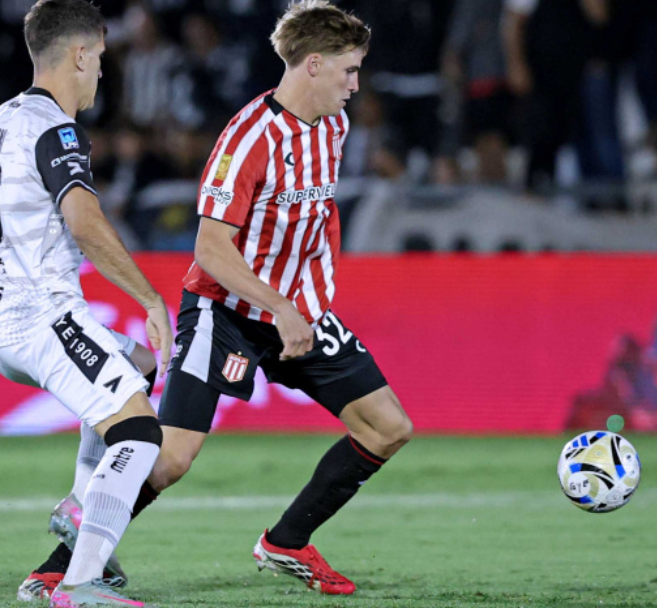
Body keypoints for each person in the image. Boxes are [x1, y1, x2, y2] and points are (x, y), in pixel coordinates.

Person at [21, 0, 413, 598]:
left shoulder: (333, 125)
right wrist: (279, 306)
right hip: (224, 312)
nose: (356, 85)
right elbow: (209, 248)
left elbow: (310, 216)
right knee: (171, 459)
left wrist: (303, 298)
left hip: (297, 313)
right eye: (349, 70)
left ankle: (286, 542)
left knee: (387, 427)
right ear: (313, 64)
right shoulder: (249, 138)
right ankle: (58, 567)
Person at [0, 1, 173, 607]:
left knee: (138, 365)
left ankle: (79, 507)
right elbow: (85, 223)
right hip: (42, 320)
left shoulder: (0, 122)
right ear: (80, 54)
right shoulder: (57, 132)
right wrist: (149, 298)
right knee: (139, 433)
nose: (102, 72)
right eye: (101, 58)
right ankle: (80, 585)